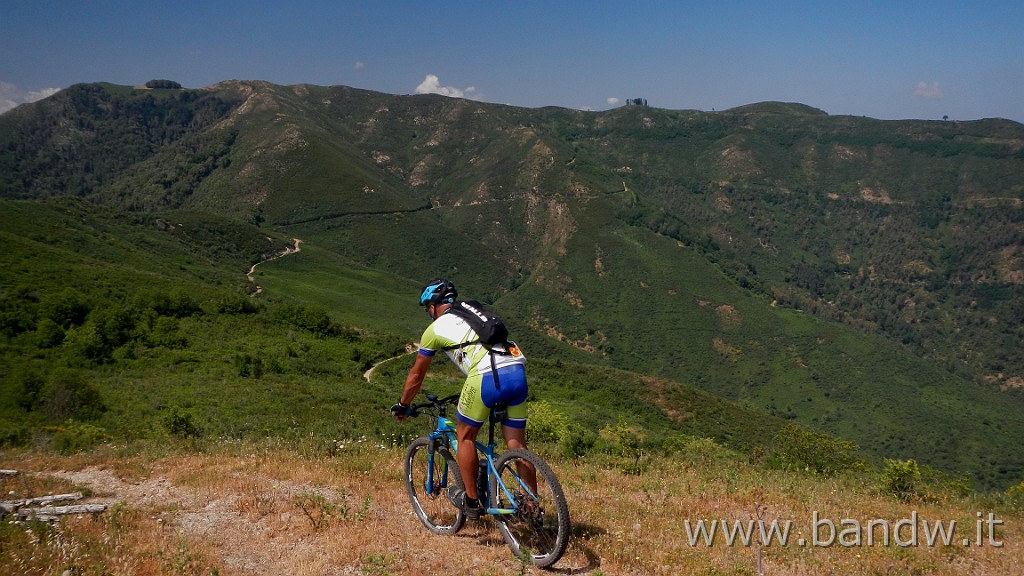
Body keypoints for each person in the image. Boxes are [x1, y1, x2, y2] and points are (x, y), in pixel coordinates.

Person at [391, 278, 533, 519]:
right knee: (517, 445)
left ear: (434, 306)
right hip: (517, 368)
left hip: (486, 376)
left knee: (464, 436)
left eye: (428, 309)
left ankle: (471, 501)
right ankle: (531, 506)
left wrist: (403, 405)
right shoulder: (472, 311)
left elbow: (417, 374)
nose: (429, 313)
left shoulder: (434, 329)